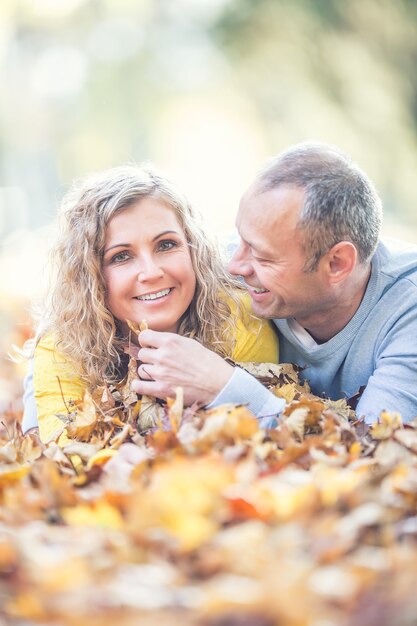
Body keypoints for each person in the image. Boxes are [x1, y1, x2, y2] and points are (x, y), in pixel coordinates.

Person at [131, 142, 417, 424]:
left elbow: (374, 449)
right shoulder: (225, 263)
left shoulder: (407, 310)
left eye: (262, 256)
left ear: (337, 264)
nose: (234, 266)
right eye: (240, 239)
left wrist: (224, 387)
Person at [22, 164, 281, 442]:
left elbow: (263, 439)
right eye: (121, 256)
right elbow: (64, 450)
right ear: (90, 276)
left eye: (166, 245)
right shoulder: (65, 346)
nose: (151, 272)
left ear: (193, 249)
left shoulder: (240, 318)